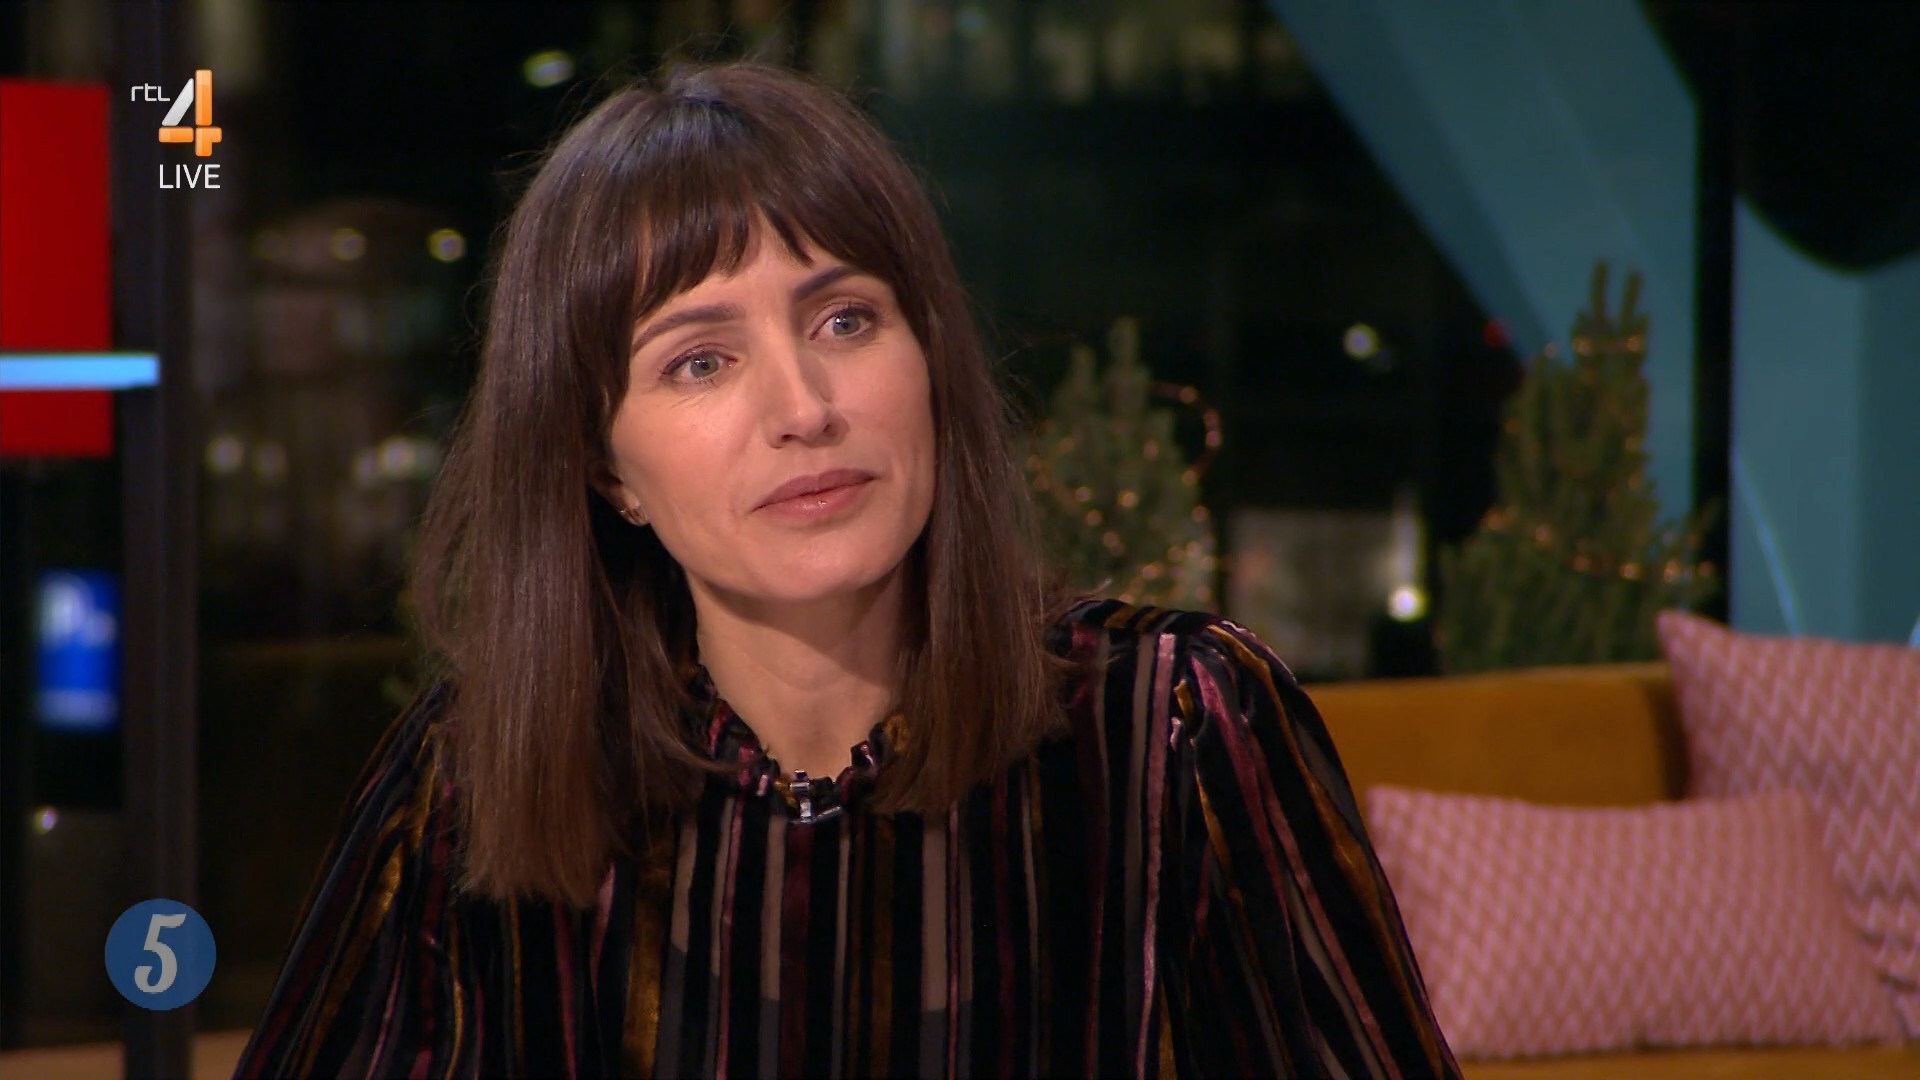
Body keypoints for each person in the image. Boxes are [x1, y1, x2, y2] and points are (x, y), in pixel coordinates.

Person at [234, 60, 1460, 1079]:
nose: (804, 407)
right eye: (700, 361)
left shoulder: (1177, 724)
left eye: (845, 320)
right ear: (604, 467)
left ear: (929, 359)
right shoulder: (474, 778)